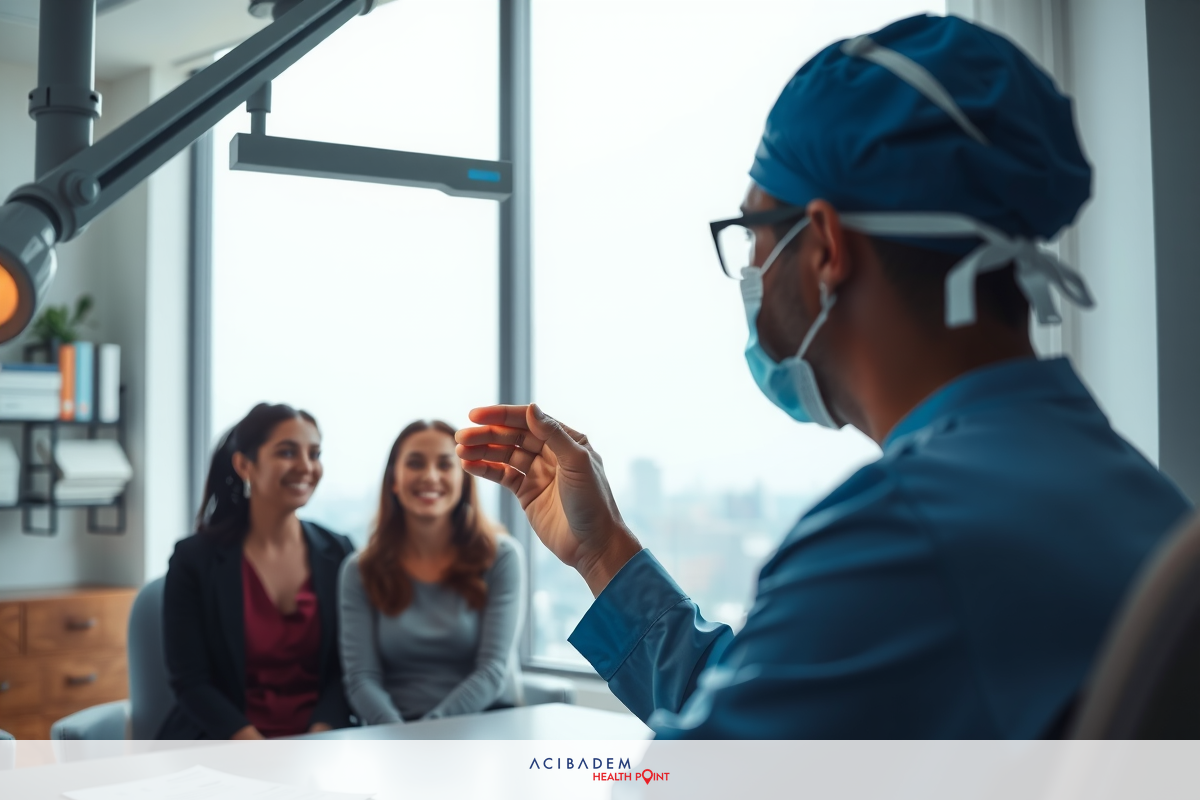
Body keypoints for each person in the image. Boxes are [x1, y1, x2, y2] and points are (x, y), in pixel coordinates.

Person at [454, 14, 1192, 738]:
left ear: (825, 248)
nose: (748, 269)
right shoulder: (1127, 491)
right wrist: (603, 550)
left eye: (751, 233)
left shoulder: (905, 535)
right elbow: (777, 707)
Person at [160, 403, 355, 739]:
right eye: (287, 452)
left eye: (315, 453)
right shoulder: (194, 560)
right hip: (223, 742)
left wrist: (319, 738)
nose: (306, 467)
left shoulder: (339, 553)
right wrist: (256, 750)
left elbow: (348, 670)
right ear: (244, 464)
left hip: (319, 745)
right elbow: (191, 682)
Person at [338, 420, 524, 724]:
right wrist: (402, 738)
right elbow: (361, 678)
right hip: (393, 734)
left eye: (444, 464)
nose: (430, 476)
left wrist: (426, 735)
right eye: (414, 463)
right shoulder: (359, 570)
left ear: (464, 479)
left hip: (484, 727)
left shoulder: (501, 557)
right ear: (393, 480)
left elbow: (492, 671)